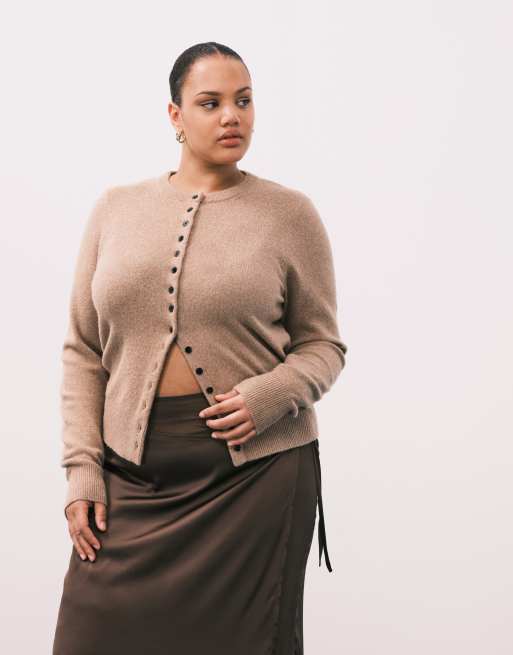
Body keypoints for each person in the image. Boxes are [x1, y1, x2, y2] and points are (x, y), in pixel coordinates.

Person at [52, 41, 348, 655]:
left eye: (244, 101)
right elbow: (83, 350)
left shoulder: (290, 214)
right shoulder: (115, 209)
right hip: (131, 472)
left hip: (255, 474)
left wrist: (272, 394)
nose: (231, 116)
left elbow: (323, 346)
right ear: (175, 115)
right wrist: (83, 470)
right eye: (210, 103)